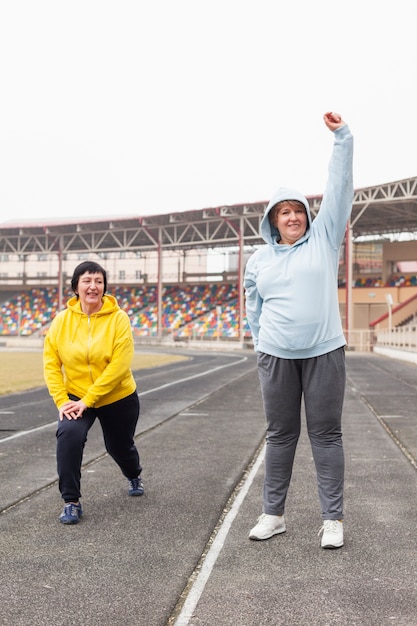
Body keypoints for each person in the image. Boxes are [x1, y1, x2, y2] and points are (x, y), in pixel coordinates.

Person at [244, 112, 354, 549]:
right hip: (276, 356)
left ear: (308, 215)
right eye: (283, 212)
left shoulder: (325, 238)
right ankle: (274, 514)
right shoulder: (259, 260)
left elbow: (341, 186)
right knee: (280, 434)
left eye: (297, 211)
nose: (292, 217)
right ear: (272, 221)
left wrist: (342, 138)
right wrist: (262, 346)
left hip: (324, 352)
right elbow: (254, 308)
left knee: (326, 434)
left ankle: (333, 520)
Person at [43, 260, 144, 524]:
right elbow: (51, 364)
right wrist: (63, 401)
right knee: (68, 435)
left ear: (104, 287)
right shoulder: (61, 321)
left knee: (120, 447)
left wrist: (90, 400)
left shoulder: (118, 319)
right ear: (76, 286)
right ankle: (71, 501)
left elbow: (119, 366)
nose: (93, 286)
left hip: (117, 396)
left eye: (98, 281)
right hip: (75, 396)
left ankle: (134, 474)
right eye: (87, 280)